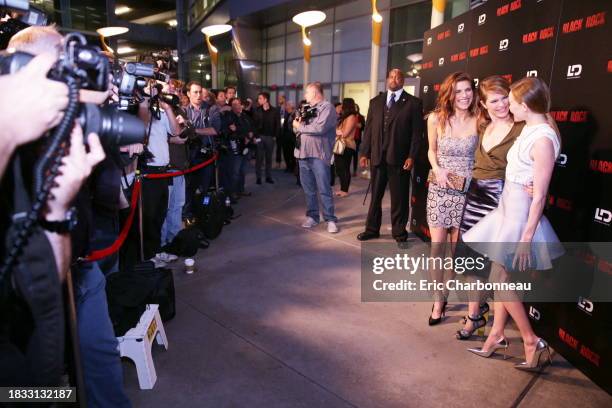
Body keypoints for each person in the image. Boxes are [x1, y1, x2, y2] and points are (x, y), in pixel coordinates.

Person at [463, 77, 564, 370]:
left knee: (499, 279)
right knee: (498, 277)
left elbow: (541, 194)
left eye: (513, 102)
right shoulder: (532, 129)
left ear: (527, 105)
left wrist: (526, 237)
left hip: (520, 220)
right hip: (506, 211)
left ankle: (530, 340)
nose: (509, 106)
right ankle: (495, 335)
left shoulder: (541, 136)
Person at [455, 76, 525, 340]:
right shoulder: (482, 127)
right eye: (493, 100)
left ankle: (496, 329)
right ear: (483, 104)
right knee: (473, 263)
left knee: (497, 269)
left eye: (505, 97)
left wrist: (533, 183)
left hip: (501, 202)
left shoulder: (522, 127)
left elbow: (548, 140)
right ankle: (475, 316)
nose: (501, 104)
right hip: (474, 198)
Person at [425, 71, 479, 325]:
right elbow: (431, 149)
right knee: (437, 249)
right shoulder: (435, 119)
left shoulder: (480, 119)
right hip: (440, 187)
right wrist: (436, 168)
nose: (464, 95)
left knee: (458, 253)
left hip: (467, 190)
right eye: (458, 91)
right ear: (450, 93)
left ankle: (469, 303)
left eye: (468, 90)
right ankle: (439, 300)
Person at [357, 68, 423, 243]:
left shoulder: (413, 103)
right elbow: (369, 130)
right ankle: (372, 229)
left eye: (398, 76)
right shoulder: (375, 102)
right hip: (378, 158)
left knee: (399, 198)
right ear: (387, 79)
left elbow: (417, 134)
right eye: (391, 76)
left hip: (400, 160)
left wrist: (411, 156)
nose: (394, 79)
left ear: (403, 81)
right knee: (375, 197)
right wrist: (364, 152)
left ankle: (399, 232)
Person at [138, 84, 180, 266]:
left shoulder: (161, 113)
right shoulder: (141, 111)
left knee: (160, 214)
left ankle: (157, 251)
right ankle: (149, 256)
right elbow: (141, 125)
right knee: (150, 216)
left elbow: (176, 131)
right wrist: (146, 99)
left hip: (164, 171)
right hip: (149, 172)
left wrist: (168, 108)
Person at [293, 82, 339, 233]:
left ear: (315, 93)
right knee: (308, 189)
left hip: (319, 154)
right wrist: (297, 126)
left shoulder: (327, 108)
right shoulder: (306, 109)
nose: (305, 95)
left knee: (324, 188)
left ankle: (330, 219)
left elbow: (319, 128)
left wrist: (299, 127)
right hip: (302, 153)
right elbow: (297, 129)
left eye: (307, 92)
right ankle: (313, 216)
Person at [183, 82, 221, 220]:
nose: (199, 95)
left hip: (206, 157)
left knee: (204, 188)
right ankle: (187, 216)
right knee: (188, 189)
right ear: (188, 94)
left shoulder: (212, 109)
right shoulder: (183, 111)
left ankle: (203, 215)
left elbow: (215, 130)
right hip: (188, 157)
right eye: (195, 92)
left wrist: (193, 130)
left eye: (200, 92)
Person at [334, 98, 358, 197]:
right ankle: (342, 188)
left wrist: (336, 131)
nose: (341, 106)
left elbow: (345, 133)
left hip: (347, 146)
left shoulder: (352, 117)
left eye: (343, 104)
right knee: (339, 168)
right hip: (340, 145)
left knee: (344, 168)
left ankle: (345, 190)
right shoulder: (345, 117)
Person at [253, 92, 280, 184]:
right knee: (259, 159)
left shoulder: (275, 110)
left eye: (260, 98)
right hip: (260, 136)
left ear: (266, 99)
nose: (258, 100)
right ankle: (258, 178)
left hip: (270, 138)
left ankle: (268, 177)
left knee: (269, 159)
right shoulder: (257, 110)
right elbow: (254, 125)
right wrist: (255, 137)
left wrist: (275, 136)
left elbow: (278, 125)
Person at [280, 101, 297, 173]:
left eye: (287, 105)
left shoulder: (295, 115)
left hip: (292, 137)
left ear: (291, 106)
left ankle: (292, 167)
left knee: (292, 153)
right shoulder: (286, 114)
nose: (285, 107)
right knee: (286, 152)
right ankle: (288, 166)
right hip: (285, 136)